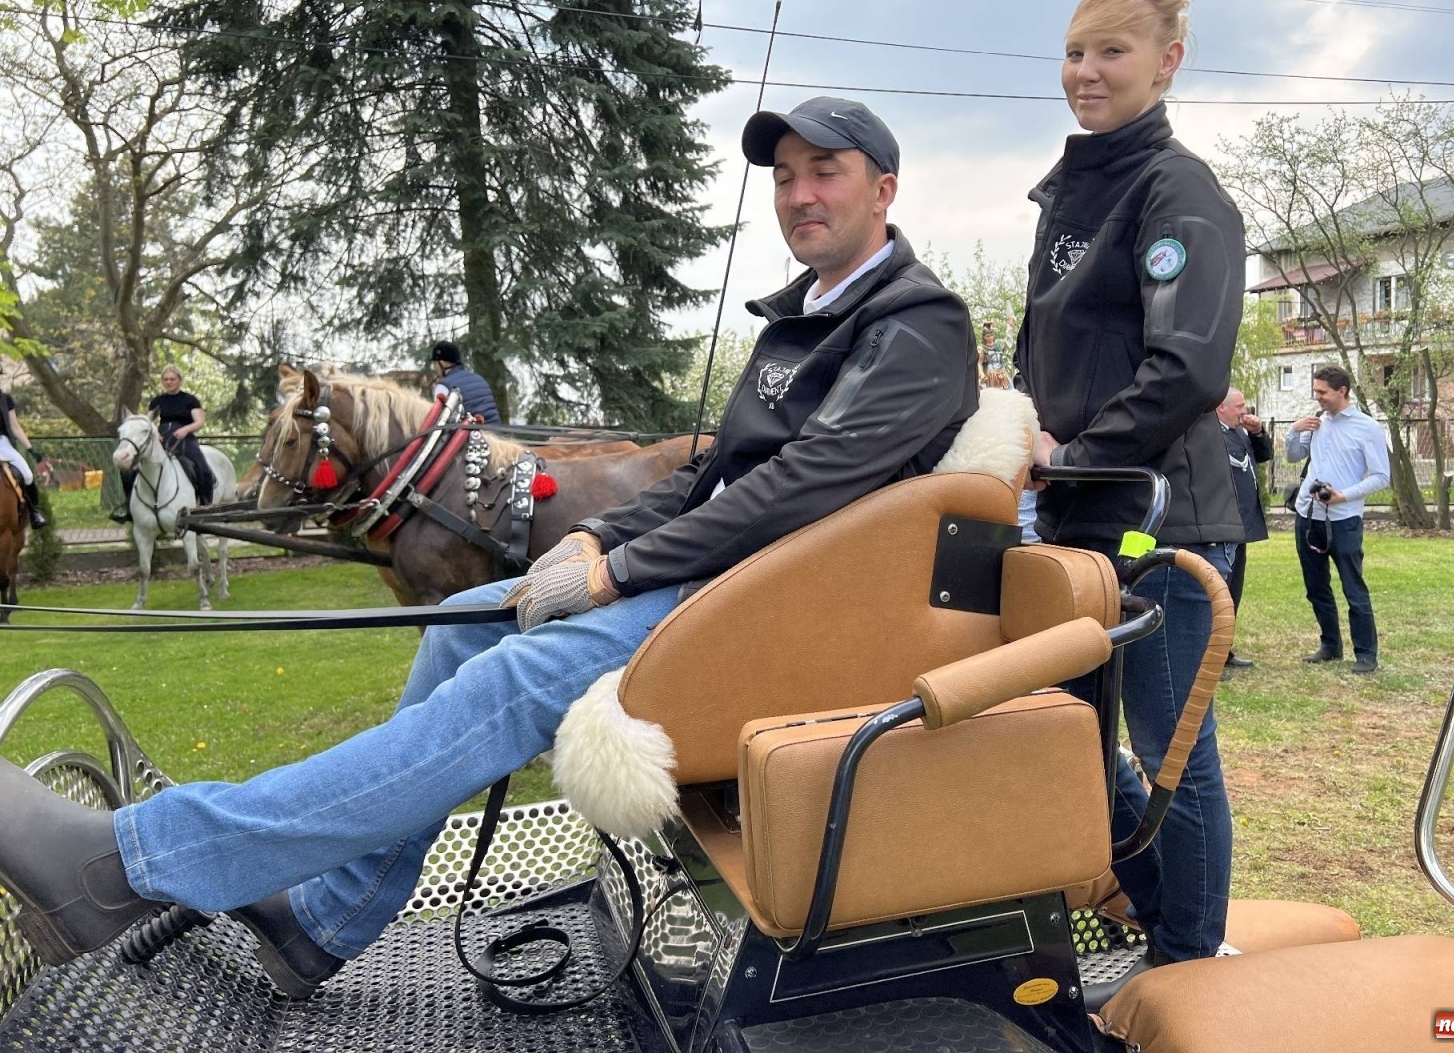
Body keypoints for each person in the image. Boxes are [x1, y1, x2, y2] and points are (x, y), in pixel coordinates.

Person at [0, 95, 978, 1000]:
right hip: (721, 582)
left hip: (776, 616)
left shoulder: (916, 326)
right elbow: (712, 475)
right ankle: (331, 917)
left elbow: (802, 488)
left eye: (827, 172)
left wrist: (618, 569)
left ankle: (123, 866)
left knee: (505, 685)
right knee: (470, 619)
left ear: (882, 190)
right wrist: (593, 533)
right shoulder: (803, 321)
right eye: (784, 175)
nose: (799, 194)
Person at [1015, 0, 1244, 966]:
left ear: (1168, 62)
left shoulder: (1178, 193)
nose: (1086, 71)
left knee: (1169, 755)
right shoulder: (1069, 195)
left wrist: (1064, 457)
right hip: (1071, 527)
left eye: (1112, 50)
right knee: (1067, 743)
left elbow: (1186, 369)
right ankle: (1153, 922)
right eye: (1072, 52)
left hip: (1165, 526)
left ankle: (1191, 961)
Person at [1286, 365, 1390, 674]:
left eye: (1322, 392)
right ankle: (1330, 646)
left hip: (1343, 519)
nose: (1317, 397)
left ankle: (1366, 654)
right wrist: (1294, 430)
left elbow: (1382, 477)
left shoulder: (1367, 427)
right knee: (1316, 587)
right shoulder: (1317, 421)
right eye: (1315, 391)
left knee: (1353, 587)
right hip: (1308, 515)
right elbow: (1293, 456)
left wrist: (1343, 495)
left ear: (1342, 391)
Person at [1216, 388, 1272, 676]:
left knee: (1233, 593)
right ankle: (1210, 658)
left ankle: (1224, 651)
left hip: (1241, 528)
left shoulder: (1238, 432)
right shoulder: (1212, 437)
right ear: (1220, 409)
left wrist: (1259, 433)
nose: (1244, 411)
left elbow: (1263, 457)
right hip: (1223, 527)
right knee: (1218, 593)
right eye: (1239, 406)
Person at [110, 367, 214, 522]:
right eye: (166, 380)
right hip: (162, 438)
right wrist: (156, 435)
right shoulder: (157, 401)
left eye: (172, 379)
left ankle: (206, 507)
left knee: (204, 470)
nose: (169, 382)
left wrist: (185, 429)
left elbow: (199, 422)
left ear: (179, 380)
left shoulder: (190, 400)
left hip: (185, 439)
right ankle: (129, 508)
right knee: (129, 470)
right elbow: (148, 423)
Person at [0, 388, 49, 529]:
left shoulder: (5, 399)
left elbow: (15, 427)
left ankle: (34, 513)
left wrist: (30, 449)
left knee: (27, 475)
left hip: (3, 443)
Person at [429, 341, 501, 425]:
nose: (434, 367)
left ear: (442, 363)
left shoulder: (443, 386)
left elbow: (438, 421)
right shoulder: (479, 378)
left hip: (471, 435)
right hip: (496, 433)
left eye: (435, 363)